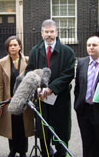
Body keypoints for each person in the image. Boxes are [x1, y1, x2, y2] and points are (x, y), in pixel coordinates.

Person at [25, 19, 76, 157]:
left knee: (61, 131)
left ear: (57, 32)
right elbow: (29, 72)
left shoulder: (67, 52)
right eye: (46, 32)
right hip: (42, 101)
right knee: (44, 132)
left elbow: (69, 73)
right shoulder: (35, 51)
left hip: (60, 99)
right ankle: (46, 153)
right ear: (41, 33)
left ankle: (61, 153)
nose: (49, 35)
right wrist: (35, 87)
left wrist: (51, 88)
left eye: (52, 32)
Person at [0, 36, 34, 157]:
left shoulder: (27, 60)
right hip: (9, 101)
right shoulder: (2, 62)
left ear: (20, 47)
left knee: (23, 126)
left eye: (15, 45)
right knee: (11, 126)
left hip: (23, 101)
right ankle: (12, 150)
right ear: (7, 48)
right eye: (10, 45)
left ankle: (22, 151)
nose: (12, 47)